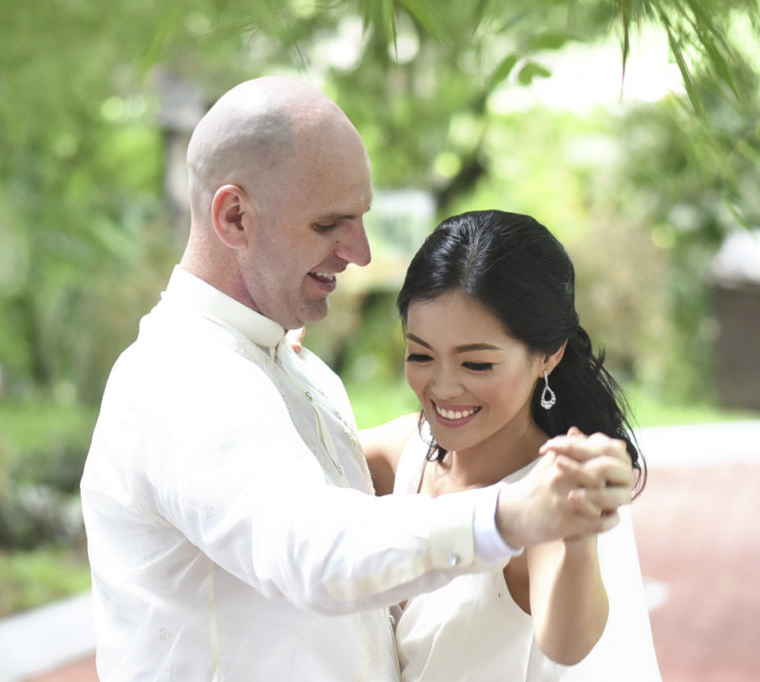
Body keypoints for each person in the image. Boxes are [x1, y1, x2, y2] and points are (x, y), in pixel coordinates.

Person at [80, 77, 635, 680]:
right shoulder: (183, 381)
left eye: (361, 218)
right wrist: (508, 514)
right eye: (328, 225)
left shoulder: (300, 373)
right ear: (235, 216)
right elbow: (316, 548)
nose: (362, 252)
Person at [363, 209, 662, 680]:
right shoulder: (407, 453)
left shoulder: (549, 489)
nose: (442, 388)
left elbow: (567, 643)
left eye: (476, 365)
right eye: (420, 355)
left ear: (549, 354)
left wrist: (580, 541)